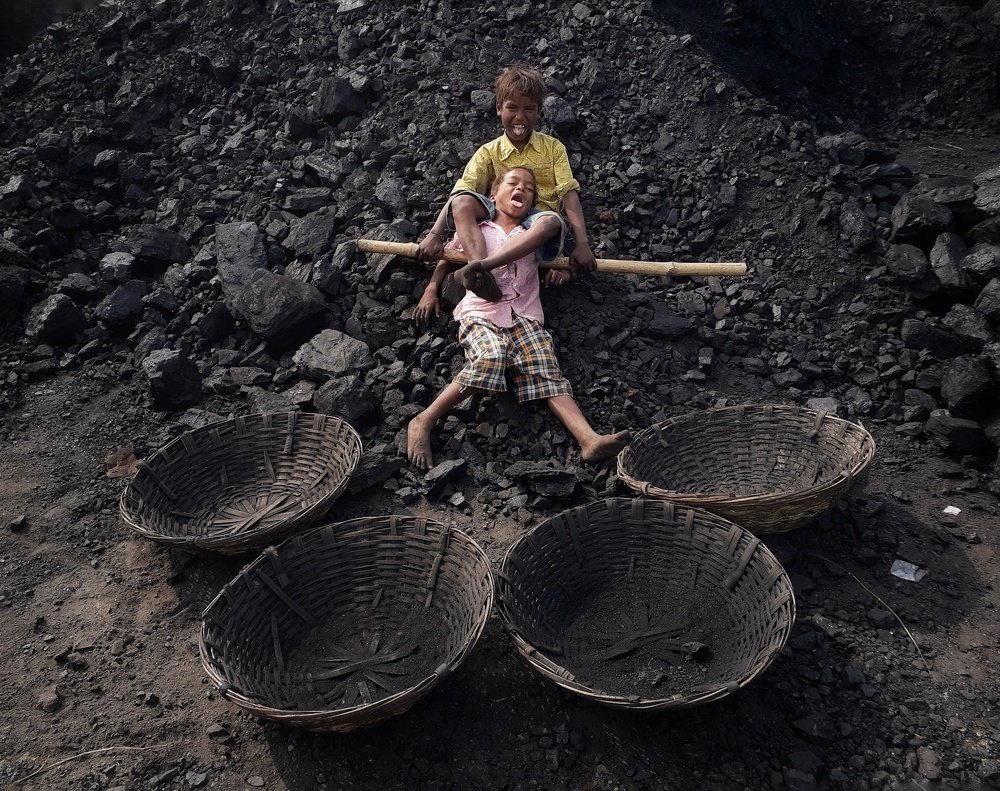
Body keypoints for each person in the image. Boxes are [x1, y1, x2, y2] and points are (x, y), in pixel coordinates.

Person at [406, 166, 630, 470]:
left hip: (525, 314)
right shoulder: (478, 229)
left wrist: (562, 271)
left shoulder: (530, 235)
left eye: (528, 188)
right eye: (512, 183)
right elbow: (447, 257)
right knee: (491, 357)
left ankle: (588, 439)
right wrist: (431, 289)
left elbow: (556, 261)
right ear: (492, 195)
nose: (521, 189)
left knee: (546, 371)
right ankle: (424, 419)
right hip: (481, 312)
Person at [414, 63, 596, 313]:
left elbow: (568, 194)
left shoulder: (553, 149)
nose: (520, 117)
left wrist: (582, 243)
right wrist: (435, 234)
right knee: (462, 201)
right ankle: (480, 275)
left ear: (539, 111)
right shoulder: (489, 152)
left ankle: (482, 267)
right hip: (499, 215)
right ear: (499, 108)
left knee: (550, 222)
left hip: (536, 222)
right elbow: (460, 192)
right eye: (512, 108)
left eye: (529, 109)